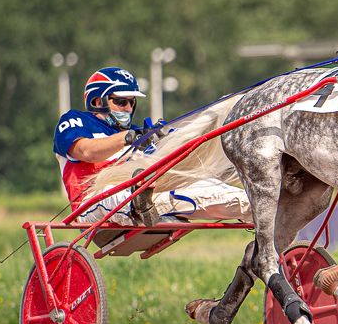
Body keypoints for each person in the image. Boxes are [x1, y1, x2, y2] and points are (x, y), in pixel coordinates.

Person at [53, 66, 250, 225]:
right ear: (97, 100)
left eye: (132, 103)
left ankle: (260, 207)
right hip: (92, 203)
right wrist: (128, 137)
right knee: (117, 191)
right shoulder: (75, 120)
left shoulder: (138, 133)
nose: (128, 109)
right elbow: (86, 151)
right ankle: (139, 202)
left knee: (206, 187)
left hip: (150, 192)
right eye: (121, 102)